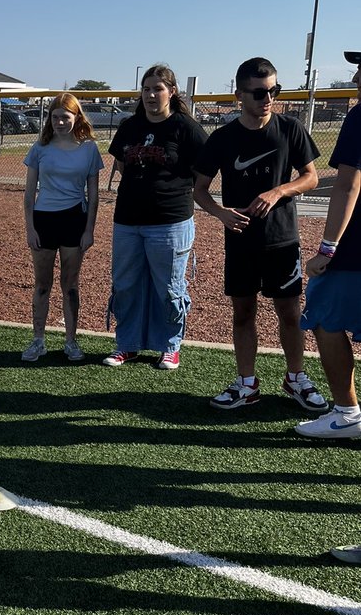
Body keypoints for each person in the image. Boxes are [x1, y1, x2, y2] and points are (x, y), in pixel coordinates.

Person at [193, 56, 326, 412]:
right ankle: (247, 383)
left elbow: (311, 177)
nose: (267, 98)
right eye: (259, 92)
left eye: (273, 90)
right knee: (243, 311)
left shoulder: (290, 128)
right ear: (239, 95)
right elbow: (200, 189)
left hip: (282, 238)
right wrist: (221, 213)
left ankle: (295, 377)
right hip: (241, 241)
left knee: (289, 311)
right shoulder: (223, 138)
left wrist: (279, 191)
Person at [295, 50, 361, 564]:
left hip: (355, 254)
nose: (357, 74)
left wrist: (327, 248)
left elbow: (350, 182)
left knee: (320, 314)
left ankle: (346, 411)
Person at [103, 65, 207, 370]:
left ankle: (170, 346)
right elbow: (122, 165)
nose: (151, 94)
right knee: (126, 284)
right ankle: (128, 344)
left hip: (170, 220)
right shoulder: (129, 126)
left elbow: (205, 168)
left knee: (169, 286)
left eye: (158, 89)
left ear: (171, 92)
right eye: (146, 89)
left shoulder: (185, 128)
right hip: (128, 220)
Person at [21, 93, 104, 363]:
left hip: (74, 221)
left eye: (65, 117)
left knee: (70, 285)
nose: (59, 122)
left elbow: (94, 194)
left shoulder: (89, 148)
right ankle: (38, 341)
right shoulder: (40, 147)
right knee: (42, 284)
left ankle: (70, 341)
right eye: (55, 117)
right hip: (44, 221)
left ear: (76, 117)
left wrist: (89, 230)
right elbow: (29, 193)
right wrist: (30, 228)